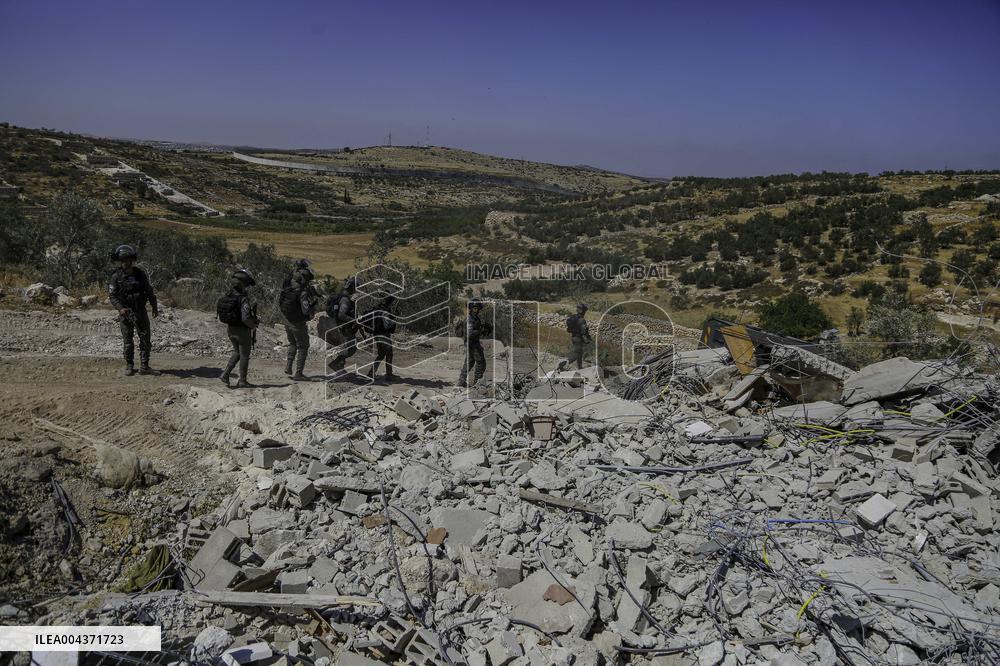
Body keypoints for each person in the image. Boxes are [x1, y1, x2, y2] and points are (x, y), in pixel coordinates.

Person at [108, 244, 159, 376]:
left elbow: (149, 290)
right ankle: (129, 365)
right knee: (128, 341)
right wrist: (120, 308)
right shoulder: (116, 277)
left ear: (132, 260)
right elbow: (112, 296)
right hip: (126, 313)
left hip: (141, 311)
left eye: (128, 260)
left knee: (145, 338)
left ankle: (144, 366)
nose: (126, 262)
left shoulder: (140, 274)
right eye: (123, 260)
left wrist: (154, 306)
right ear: (120, 261)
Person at [278, 258, 319, 380]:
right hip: (298, 323)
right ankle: (299, 373)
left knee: (292, 343)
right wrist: (312, 309)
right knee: (303, 346)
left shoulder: (289, 284)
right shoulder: (302, 293)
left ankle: (288, 366)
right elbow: (306, 310)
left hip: (287, 319)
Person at [217, 268, 259, 388]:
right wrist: (253, 325)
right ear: (243, 284)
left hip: (231, 329)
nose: (248, 287)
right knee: (244, 355)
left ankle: (225, 374)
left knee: (237, 352)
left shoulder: (229, 295)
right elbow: (245, 318)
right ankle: (242, 381)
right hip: (242, 331)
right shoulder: (243, 299)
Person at [326, 276, 359, 374]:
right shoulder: (345, 299)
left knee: (347, 346)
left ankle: (340, 368)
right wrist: (354, 320)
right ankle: (335, 363)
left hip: (343, 325)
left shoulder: (343, 296)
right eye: (356, 287)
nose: (356, 289)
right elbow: (341, 314)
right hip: (345, 326)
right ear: (351, 287)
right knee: (351, 348)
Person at [361, 295, 397, 382]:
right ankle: (388, 375)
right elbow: (387, 325)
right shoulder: (385, 311)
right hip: (384, 335)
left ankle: (372, 373)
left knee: (381, 354)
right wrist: (394, 319)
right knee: (388, 354)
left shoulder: (377, 308)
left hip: (376, 334)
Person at [458, 298, 487, 387]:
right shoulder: (469, 320)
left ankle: (461, 381)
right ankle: (477, 383)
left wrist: (483, 328)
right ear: (470, 308)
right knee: (481, 362)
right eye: (475, 308)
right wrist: (480, 330)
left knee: (470, 362)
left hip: (473, 343)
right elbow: (469, 333)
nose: (477, 310)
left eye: (478, 308)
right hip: (471, 344)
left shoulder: (475, 318)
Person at [558, 303, 592, 371]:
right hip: (578, 339)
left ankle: (579, 367)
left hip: (574, 337)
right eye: (585, 311)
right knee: (577, 354)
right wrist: (587, 340)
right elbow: (584, 331)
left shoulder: (574, 317)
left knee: (580, 353)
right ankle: (564, 363)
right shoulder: (581, 320)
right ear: (583, 311)